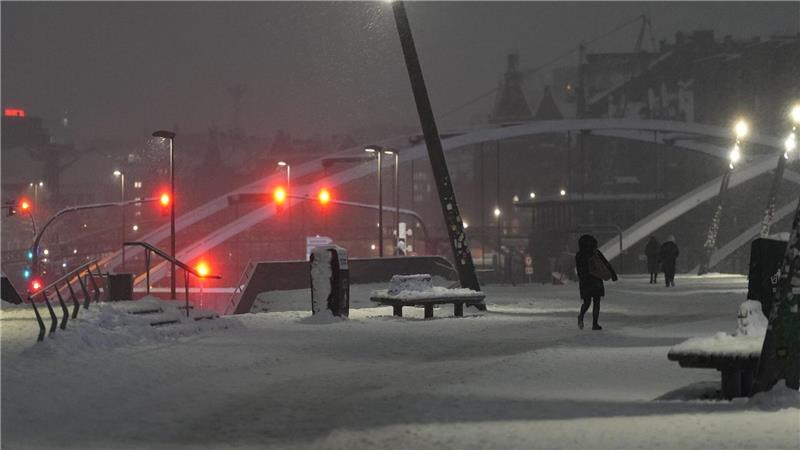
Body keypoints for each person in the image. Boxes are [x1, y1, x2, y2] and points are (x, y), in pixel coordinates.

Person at [575, 234, 618, 330]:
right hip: (595, 279)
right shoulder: (595, 253)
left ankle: (582, 316)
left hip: (586, 281)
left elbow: (580, 270)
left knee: (587, 302)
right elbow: (605, 262)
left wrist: (582, 278)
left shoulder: (580, 255)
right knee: (596, 302)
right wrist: (612, 273)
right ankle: (594, 323)